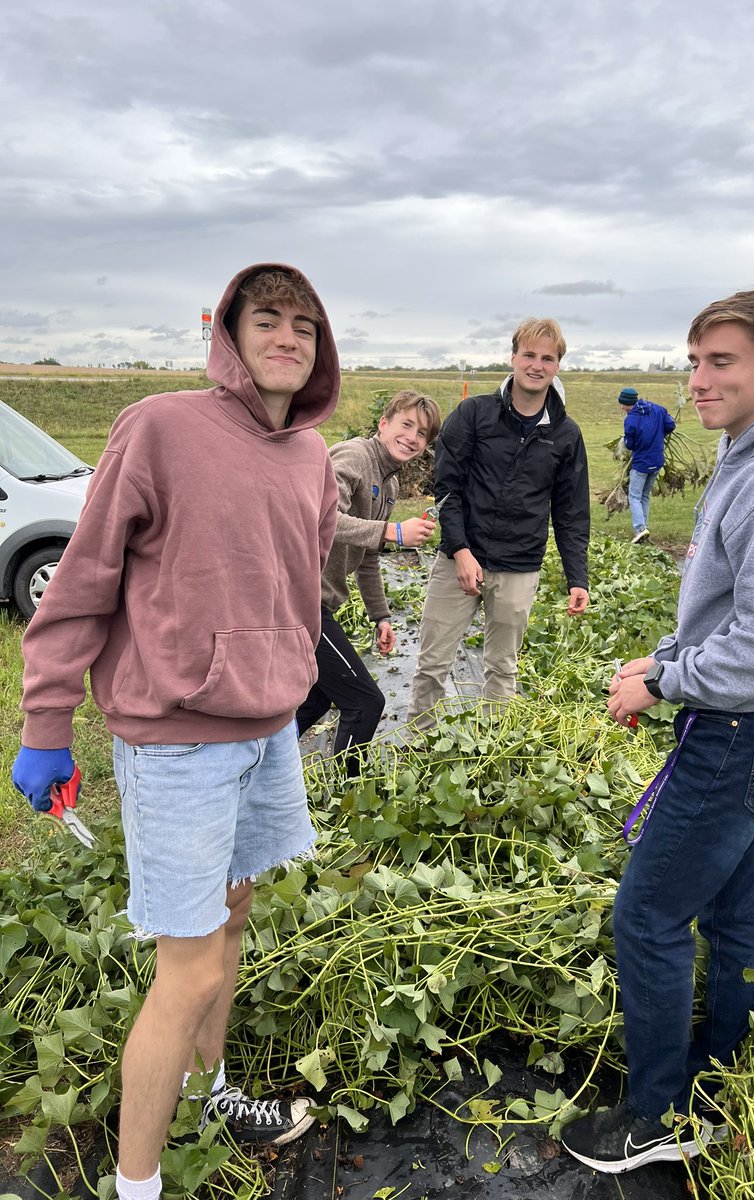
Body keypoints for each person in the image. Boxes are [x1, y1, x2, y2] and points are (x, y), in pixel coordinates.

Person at [12, 263, 341, 1200]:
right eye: (267, 319)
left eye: (305, 327)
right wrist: (47, 721)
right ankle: (138, 1185)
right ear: (228, 337)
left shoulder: (313, 457)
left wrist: (285, 670)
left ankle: (212, 1092)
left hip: (268, 733)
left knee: (232, 923)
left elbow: (298, 583)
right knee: (187, 969)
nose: (288, 338)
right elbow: (83, 580)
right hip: (177, 744)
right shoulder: (159, 427)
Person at [561, 290, 754, 1174]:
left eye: (721, 361)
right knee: (731, 911)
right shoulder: (748, 456)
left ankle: (655, 1121)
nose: (698, 379)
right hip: (753, 726)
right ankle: (722, 1076)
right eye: (694, 360)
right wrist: (660, 661)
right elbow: (726, 605)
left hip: (744, 731)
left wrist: (666, 685)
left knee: (646, 914)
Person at [406, 318, 590, 727]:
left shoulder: (565, 435)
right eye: (529, 355)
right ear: (513, 358)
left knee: (502, 669)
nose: (537, 365)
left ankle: (493, 749)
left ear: (558, 365)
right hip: (459, 560)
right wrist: (460, 549)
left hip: (519, 564)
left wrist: (578, 577)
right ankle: (419, 748)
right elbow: (448, 489)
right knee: (433, 664)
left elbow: (571, 512)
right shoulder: (474, 415)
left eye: (547, 358)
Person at [296, 389, 442, 775]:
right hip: (298, 599)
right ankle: (349, 792)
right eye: (406, 425)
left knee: (318, 698)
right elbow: (322, 518)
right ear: (384, 424)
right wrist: (393, 530)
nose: (412, 437)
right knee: (365, 701)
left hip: (320, 602)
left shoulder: (389, 483)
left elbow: (369, 557)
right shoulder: (354, 456)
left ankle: (259, 765)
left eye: (422, 433)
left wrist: (381, 616)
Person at [618, 385, 676, 544]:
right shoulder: (658, 409)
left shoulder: (631, 419)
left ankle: (639, 528)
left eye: (622, 404)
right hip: (657, 462)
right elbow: (671, 425)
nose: (622, 408)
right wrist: (658, 434)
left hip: (641, 464)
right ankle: (644, 528)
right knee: (644, 496)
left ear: (626, 403)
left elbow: (630, 444)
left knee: (634, 496)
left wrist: (626, 440)